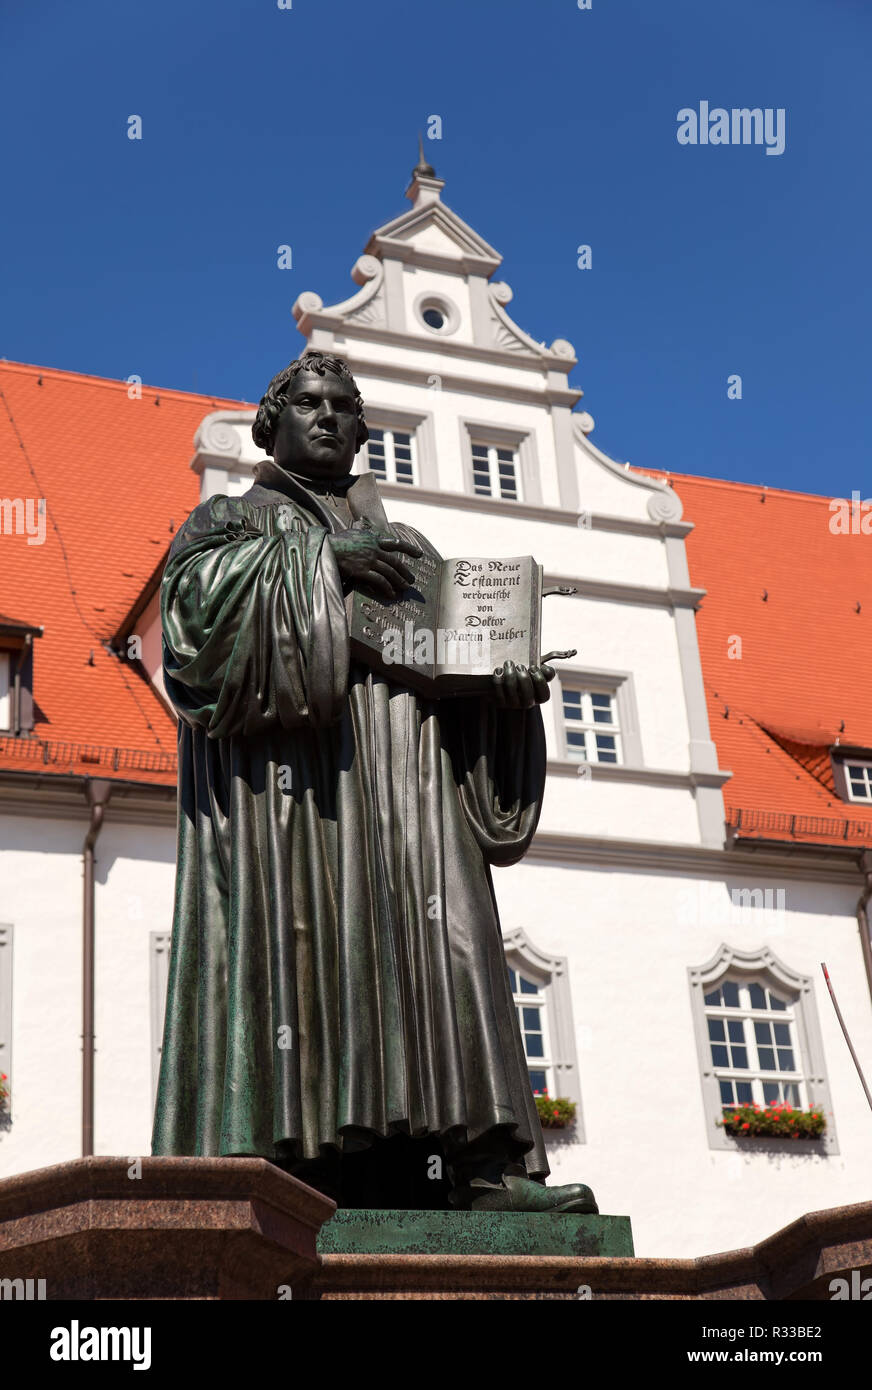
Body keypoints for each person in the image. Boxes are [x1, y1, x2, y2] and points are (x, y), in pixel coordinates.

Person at [152, 350, 597, 1215]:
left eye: (344, 408)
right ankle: (301, 1169)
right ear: (271, 422)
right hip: (294, 800)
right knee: (314, 954)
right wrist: (325, 564)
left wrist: (503, 699)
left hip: (413, 792)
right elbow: (191, 638)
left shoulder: (412, 546)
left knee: (451, 945)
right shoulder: (228, 520)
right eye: (309, 403)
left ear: (362, 433)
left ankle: (473, 1167)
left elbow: (459, 657)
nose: (327, 417)